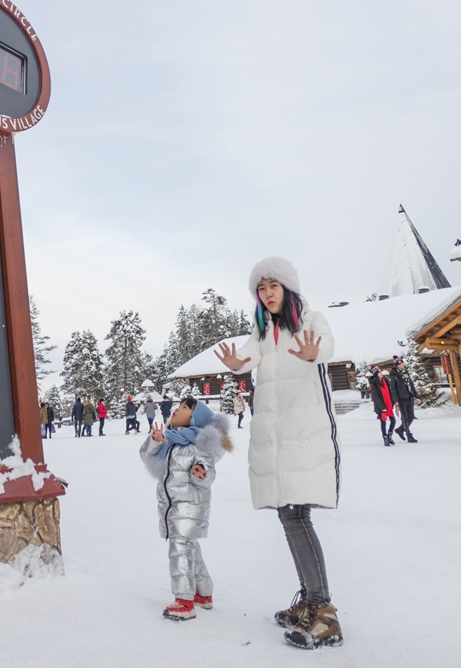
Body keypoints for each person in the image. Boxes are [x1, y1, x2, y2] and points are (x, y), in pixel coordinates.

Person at [216, 256, 343, 649]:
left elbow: (326, 347)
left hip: (305, 434)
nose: (267, 293)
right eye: (261, 288)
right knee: (290, 515)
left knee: (296, 516)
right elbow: (249, 356)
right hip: (276, 439)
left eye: (273, 286)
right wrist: (238, 364)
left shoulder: (311, 320)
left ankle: (324, 613)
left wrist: (312, 354)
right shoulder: (263, 332)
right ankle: (309, 601)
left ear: (288, 288)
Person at [140, 396, 233, 619]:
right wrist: (155, 440)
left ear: (195, 418)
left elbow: (207, 472)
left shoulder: (199, 444)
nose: (176, 410)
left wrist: (201, 472)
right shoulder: (170, 440)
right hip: (171, 504)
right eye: (178, 406)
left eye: (184, 408)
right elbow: (146, 456)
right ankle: (203, 593)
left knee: (179, 549)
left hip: (190, 506)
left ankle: (184, 600)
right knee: (189, 547)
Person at [387, 358, 418, 443]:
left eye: (403, 363)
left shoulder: (406, 373)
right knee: (405, 417)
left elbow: (411, 385)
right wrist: (395, 400)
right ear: (398, 365)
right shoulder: (394, 375)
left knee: (411, 416)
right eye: (401, 364)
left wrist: (416, 396)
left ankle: (400, 429)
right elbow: (392, 389)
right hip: (401, 398)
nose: (403, 365)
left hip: (409, 397)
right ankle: (409, 435)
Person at [368, 367, 395, 446]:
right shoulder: (374, 383)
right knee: (383, 422)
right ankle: (385, 438)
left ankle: (390, 435)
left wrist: (393, 402)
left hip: (388, 404)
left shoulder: (385, 381)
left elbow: (390, 392)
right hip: (381, 405)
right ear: (376, 374)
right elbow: (376, 396)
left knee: (393, 421)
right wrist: (381, 407)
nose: (381, 373)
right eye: (380, 372)